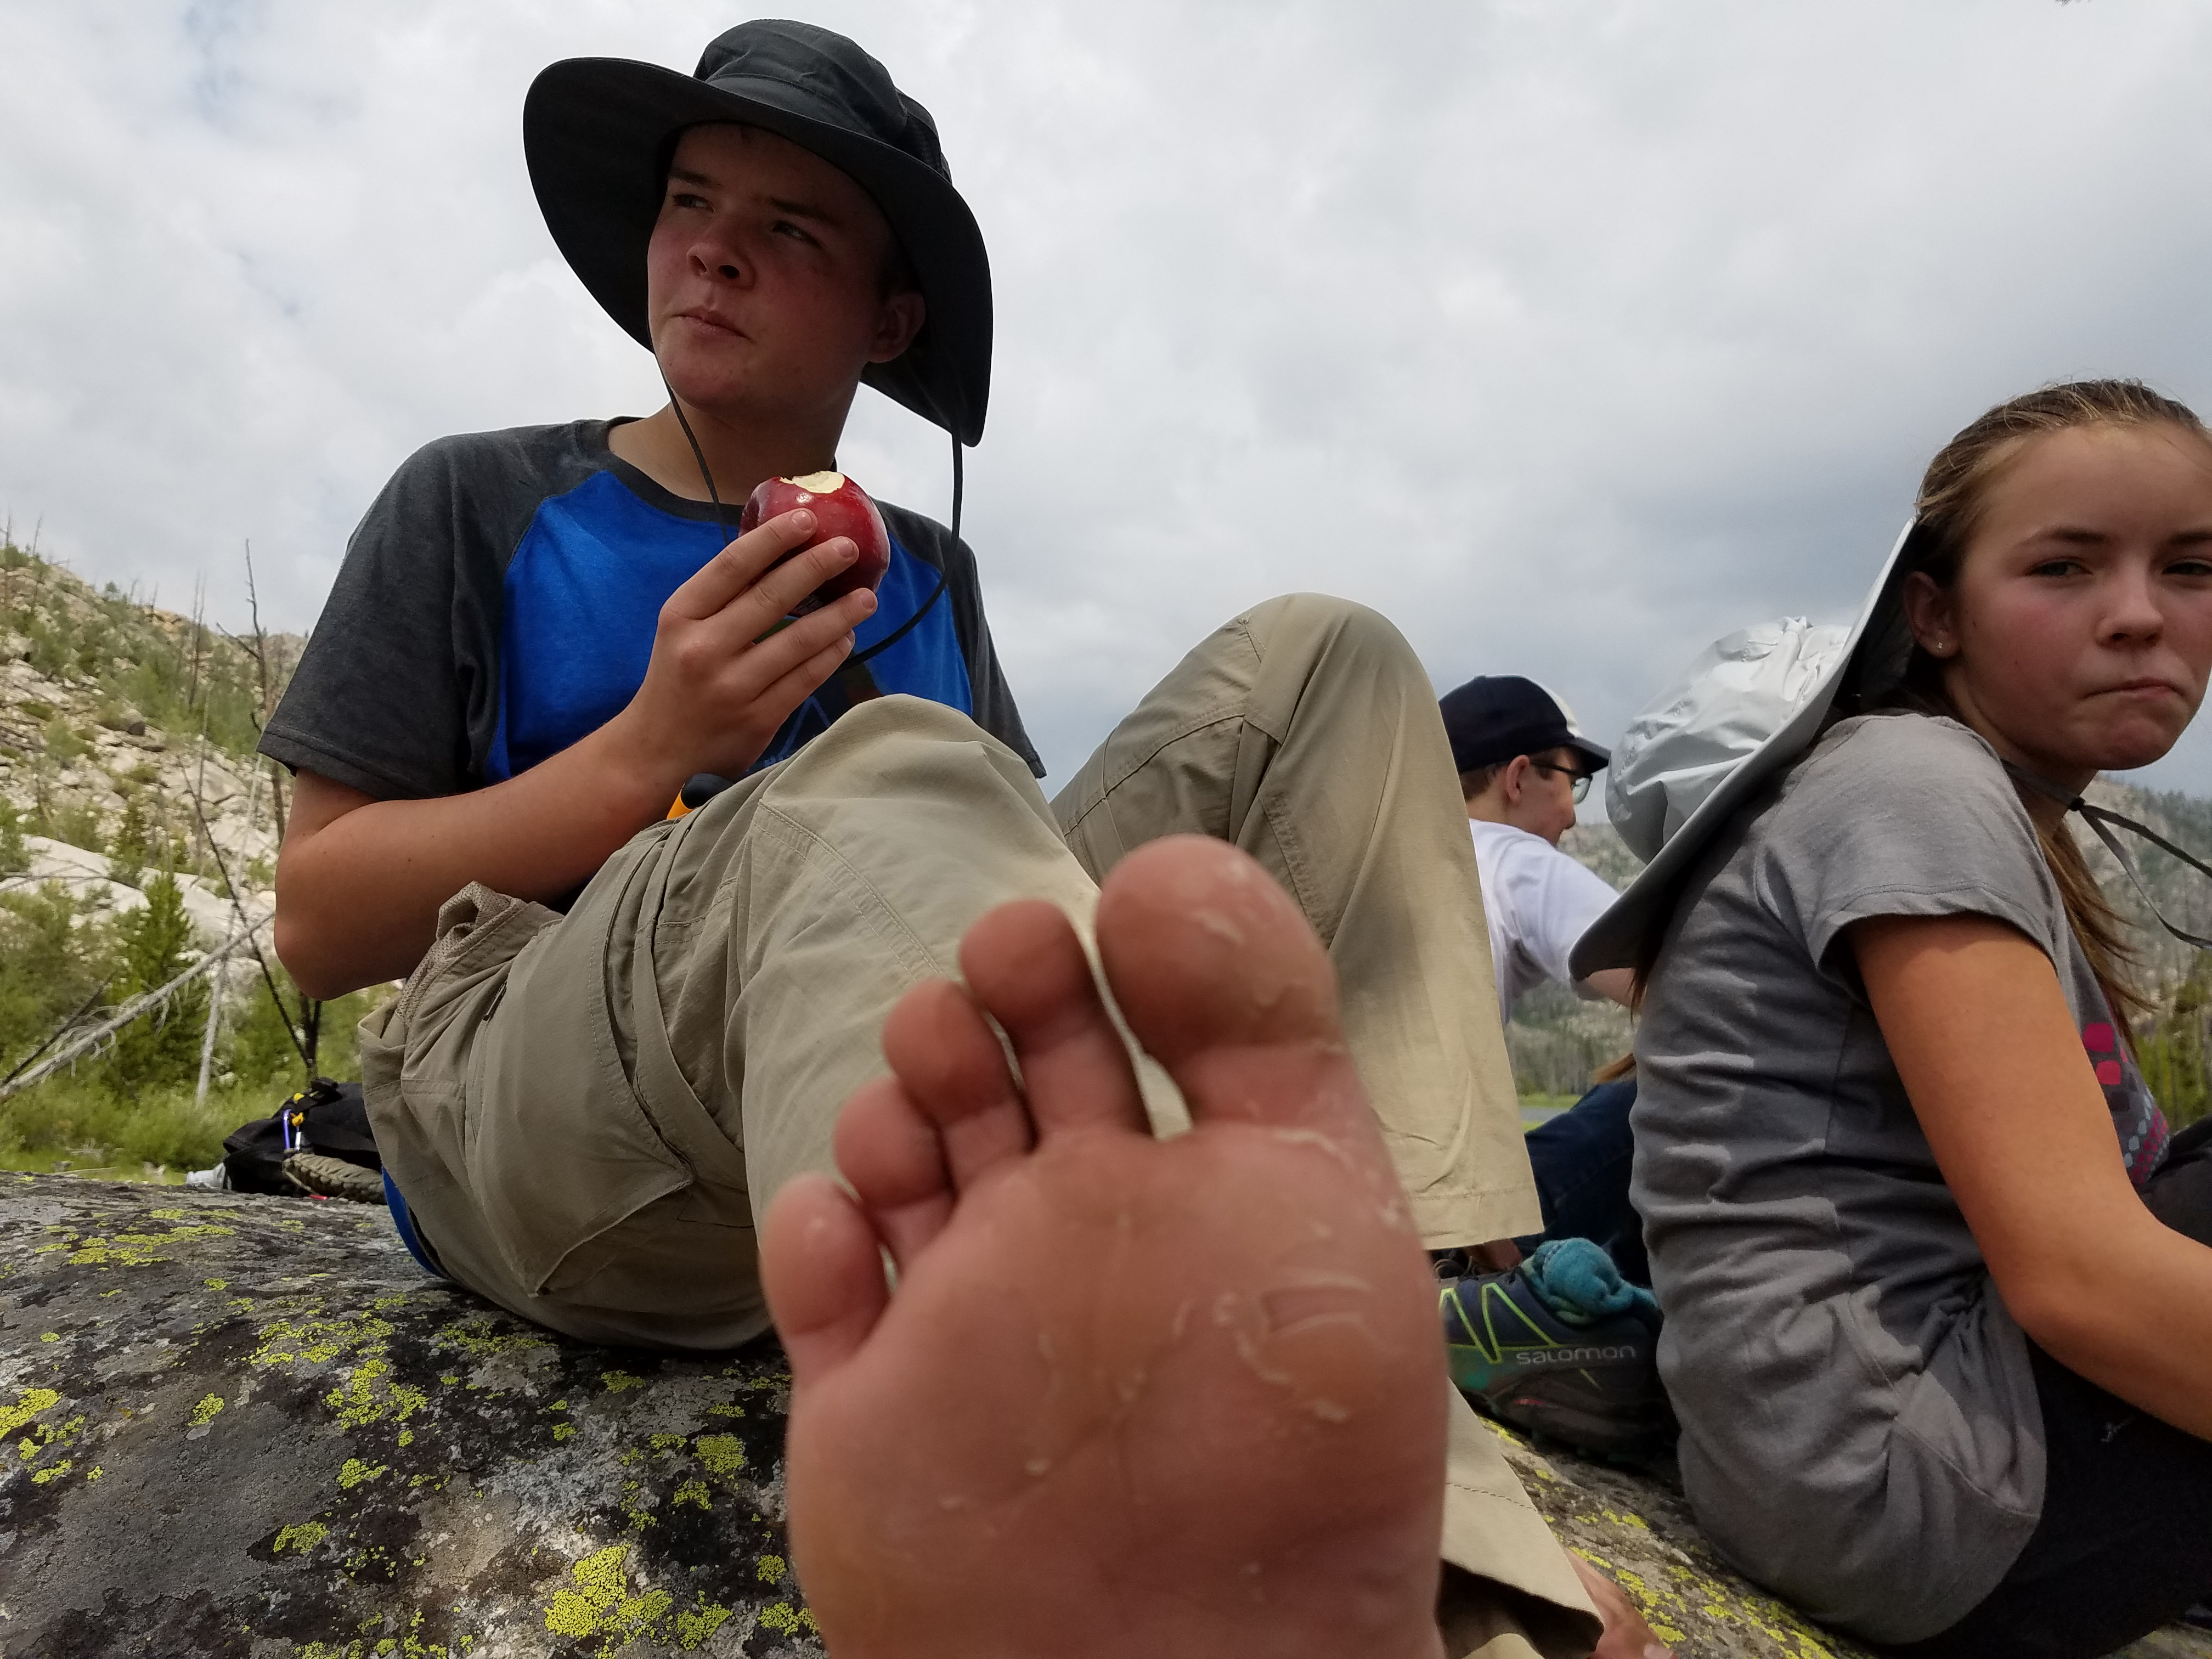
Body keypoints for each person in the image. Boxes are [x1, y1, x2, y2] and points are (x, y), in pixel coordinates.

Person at [260, 21, 1657, 1656]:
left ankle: (1426, 1288)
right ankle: (1425, 1560)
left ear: (890, 317)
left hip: (846, 1099)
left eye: (789, 229)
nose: (711, 247)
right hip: (536, 1097)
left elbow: (1018, 913)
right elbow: (320, 920)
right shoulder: (481, 500)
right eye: (692, 201)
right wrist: (652, 748)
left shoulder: (927, 569)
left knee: (1328, 656)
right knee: (895, 771)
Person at [1572, 379, 2212, 1657]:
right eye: (2064, 567)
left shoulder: (1970, 802)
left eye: (2191, 568)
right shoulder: (1914, 787)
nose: (2140, 617)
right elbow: (2079, 1276)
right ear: (1935, 614)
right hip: (1907, 1485)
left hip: (1862, 1472)